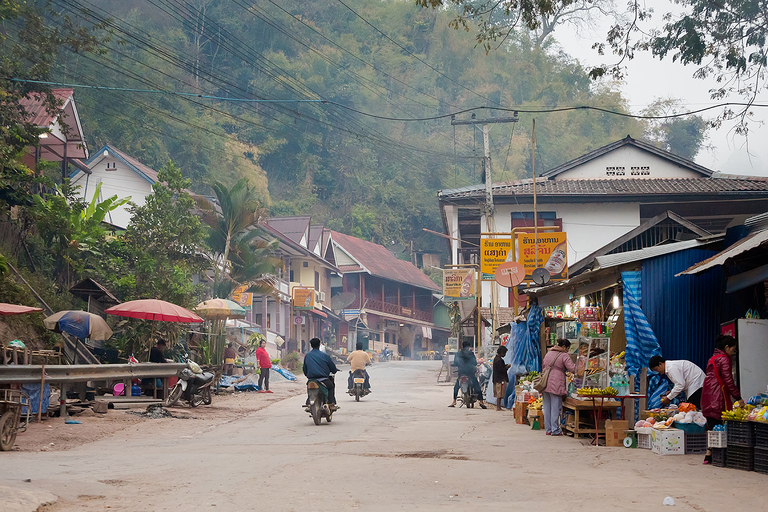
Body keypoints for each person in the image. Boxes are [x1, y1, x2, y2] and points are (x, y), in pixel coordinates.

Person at [701, 335, 745, 464]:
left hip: (708, 394)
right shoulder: (724, 359)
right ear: (726, 347)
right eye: (733, 349)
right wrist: (738, 397)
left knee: (712, 426)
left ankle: (709, 454)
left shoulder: (713, 358)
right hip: (718, 396)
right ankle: (719, 456)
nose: (733, 352)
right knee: (721, 426)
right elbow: (728, 380)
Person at [542, 339, 577, 435]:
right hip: (556, 383)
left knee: (547, 407)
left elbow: (543, 365)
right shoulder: (564, 355)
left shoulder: (549, 353)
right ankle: (555, 429)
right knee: (555, 407)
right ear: (565, 347)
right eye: (568, 348)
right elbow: (572, 368)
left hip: (545, 383)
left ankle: (548, 429)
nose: (568, 351)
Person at [448, 341, 486, 409]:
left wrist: (456, 365)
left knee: (456, 386)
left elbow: (455, 362)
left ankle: (454, 401)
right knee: (476, 386)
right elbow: (474, 362)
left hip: (461, 372)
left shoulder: (458, 353)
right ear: (468, 347)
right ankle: (481, 401)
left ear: (462, 346)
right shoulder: (471, 354)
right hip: (470, 373)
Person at [303, 337, 339, 409]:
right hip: (323, 379)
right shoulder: (325, 356)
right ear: (319, 345)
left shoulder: (307, 356)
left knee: (310, 389)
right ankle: (331, 403)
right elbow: (333, 368)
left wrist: (308, 376)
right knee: (331, 387)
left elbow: (305, 369)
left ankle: (308, 402)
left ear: (311, 345)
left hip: (311, 379)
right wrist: (334, 370)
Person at [492, 345, 511, 411]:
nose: (505, 354)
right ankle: (498, 407)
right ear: (501, 352)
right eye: (504, 353)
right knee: (499, 394)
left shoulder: (496, 359)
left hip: (496, 378)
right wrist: (506, 367)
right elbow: (501, 370)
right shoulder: (499, 360)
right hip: (500, 379)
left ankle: (499, 407)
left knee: (498, 394)